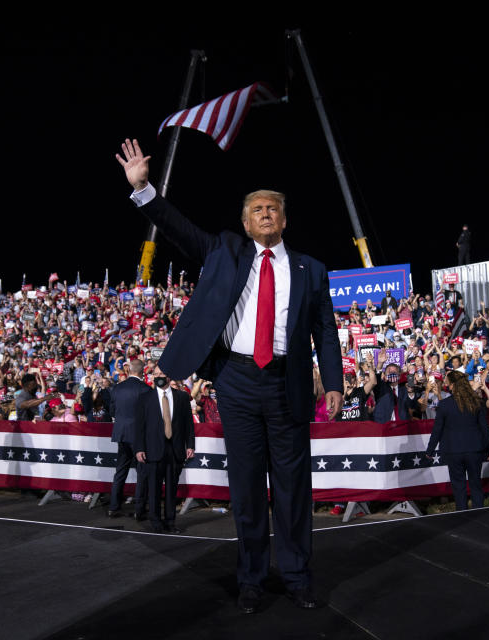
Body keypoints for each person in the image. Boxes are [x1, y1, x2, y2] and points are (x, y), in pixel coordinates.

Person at [117, 138, 342, 613]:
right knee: (245, 487)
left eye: (273, 209)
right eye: (256, 209)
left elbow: (325, 330)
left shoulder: (312, 270)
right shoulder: (224, 250)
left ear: (285, 220)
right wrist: (144, 190)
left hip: (290, 384)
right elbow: (178, 229)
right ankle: (252, 578)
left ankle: (298, 576)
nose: (265, 214)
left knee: (292, 488)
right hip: (237, 382)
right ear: (245, 222)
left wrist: (336, 381)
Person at [134, 372, 195, 533]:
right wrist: (139, 448)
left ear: (169, 377)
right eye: (155, 373)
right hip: (153, 450)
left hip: (175, 450)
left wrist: (190, 445)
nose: (158, 376)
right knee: (153, 489)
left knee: (171, 490)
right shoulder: (145, 397)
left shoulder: (182, 397)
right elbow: (139, 426)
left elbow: (188, 424)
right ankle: (155, 522)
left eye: (161, 374)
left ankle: (170, 522)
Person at [424, 371, 489, 510]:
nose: (447, 386)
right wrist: (488, 448)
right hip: (474, 450)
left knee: (459, 486)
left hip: (454, 451)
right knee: (475, 484)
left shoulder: (445, 404)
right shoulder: (476, 402)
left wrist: (429, 450)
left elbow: (437, 430)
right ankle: (479, 513)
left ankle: (462, 515)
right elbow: (484, 428)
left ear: (453, 385)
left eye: (448, 383)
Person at [105, 358, 152, 519]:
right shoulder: (146, 389)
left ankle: (113, 507)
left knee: (120, 471)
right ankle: (139, 510)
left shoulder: (117, 388)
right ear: (142, 371)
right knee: (142, 472)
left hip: (121, 434)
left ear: (129, 370)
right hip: (139, 436)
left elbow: (112, 411)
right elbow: (150, 416)